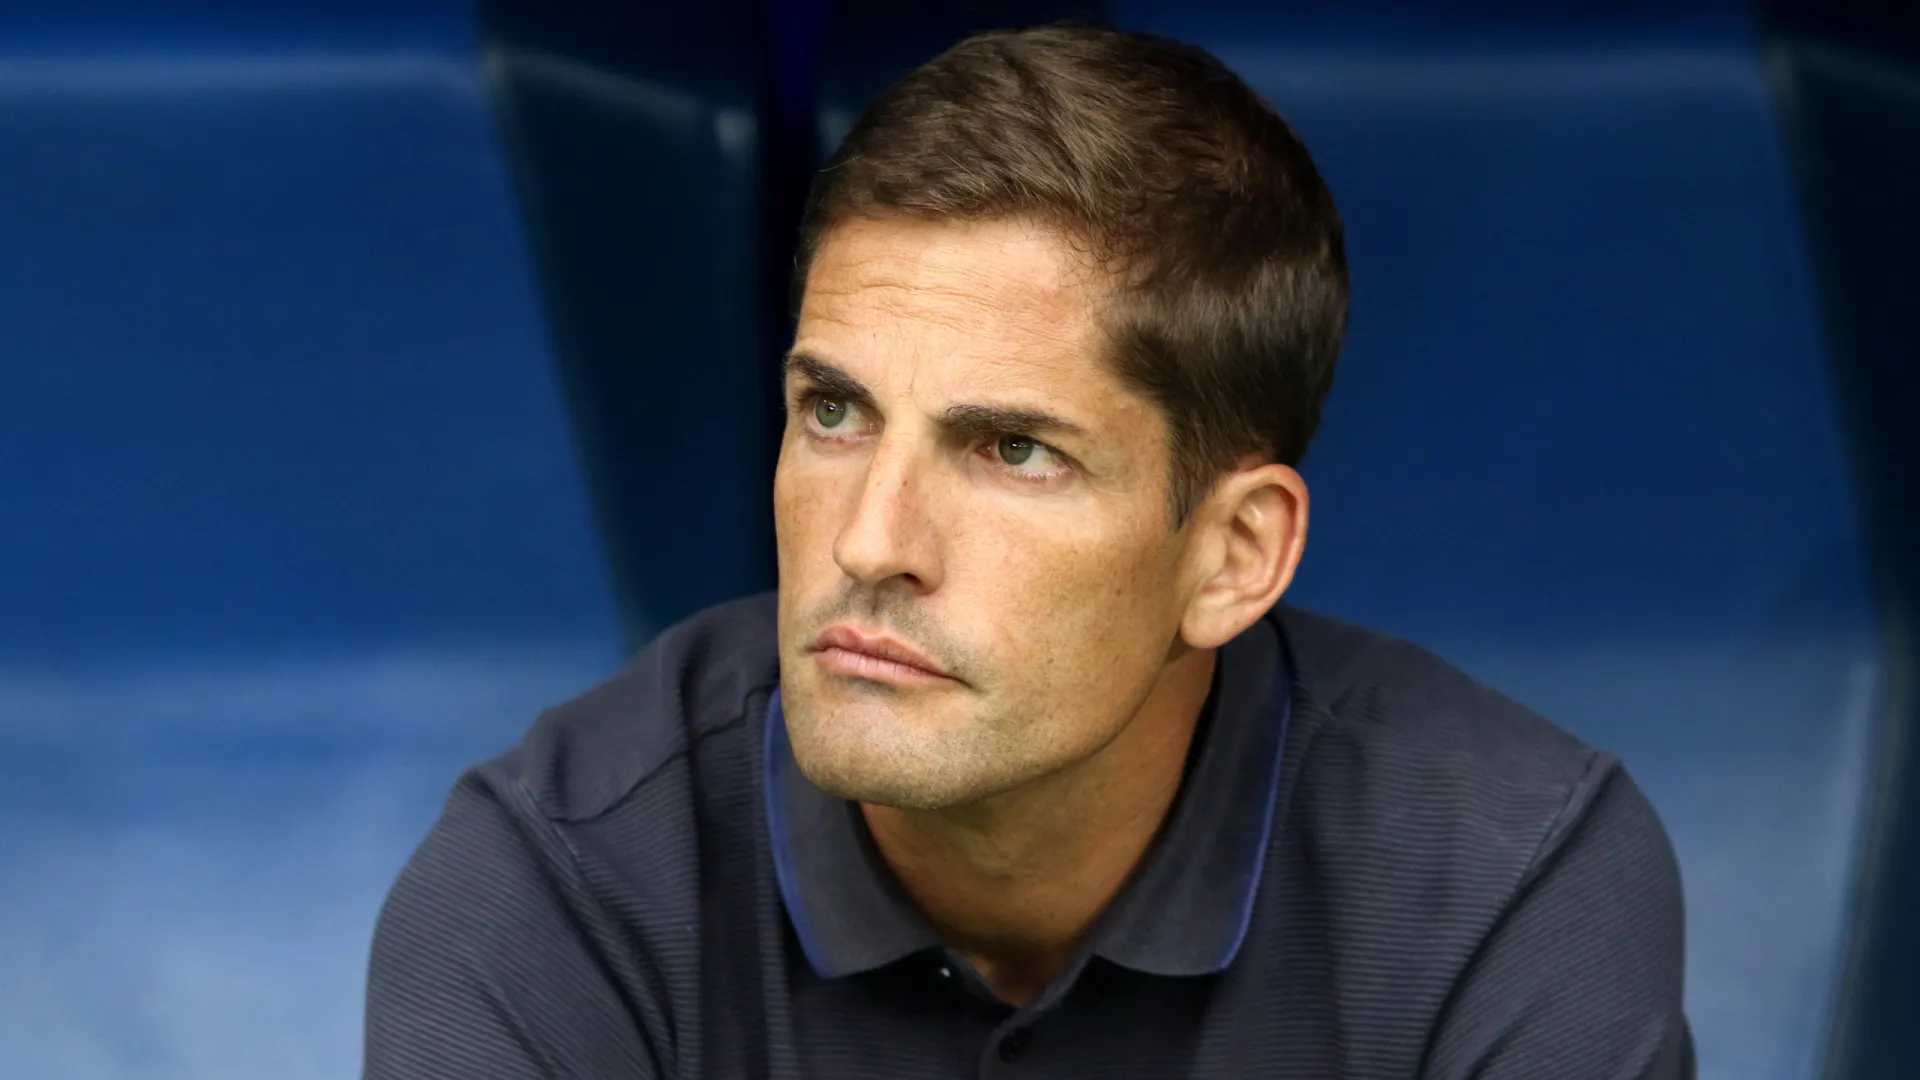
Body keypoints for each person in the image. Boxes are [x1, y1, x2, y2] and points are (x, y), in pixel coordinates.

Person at [363, 23, 1693, 1080]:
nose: (871, 541)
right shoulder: (559, 888)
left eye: (1013, 450)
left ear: (1235, 554)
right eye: (835, 413)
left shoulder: (1505, 887)